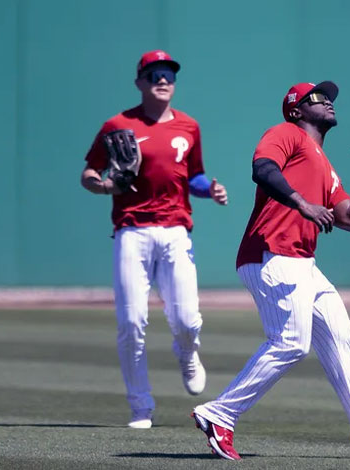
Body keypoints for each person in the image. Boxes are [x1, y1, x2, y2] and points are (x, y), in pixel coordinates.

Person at [191, 81, 350, 459]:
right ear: (296, 110)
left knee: (338, 331)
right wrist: (302, 203)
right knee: (291, 343)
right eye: (317, 98)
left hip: (300, 261)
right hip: (271, 253)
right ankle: (220, 414)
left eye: (329, 98)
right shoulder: (286, 133)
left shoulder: (324, 165)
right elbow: (262, 169)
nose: (328, 102)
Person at [80, 50, 228, 429]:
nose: (163, 80)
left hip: (176, 229)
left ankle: (188, 353)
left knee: (188, 320)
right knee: (131, 321)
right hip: (132, 229)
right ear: (139, 82)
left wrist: (209, 189)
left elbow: (193, 176)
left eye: (169, 75)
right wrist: (104, 186)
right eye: (154, 74)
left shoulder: (188, 126)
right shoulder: (118, 124)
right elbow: (90, 173)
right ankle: (140, 406)